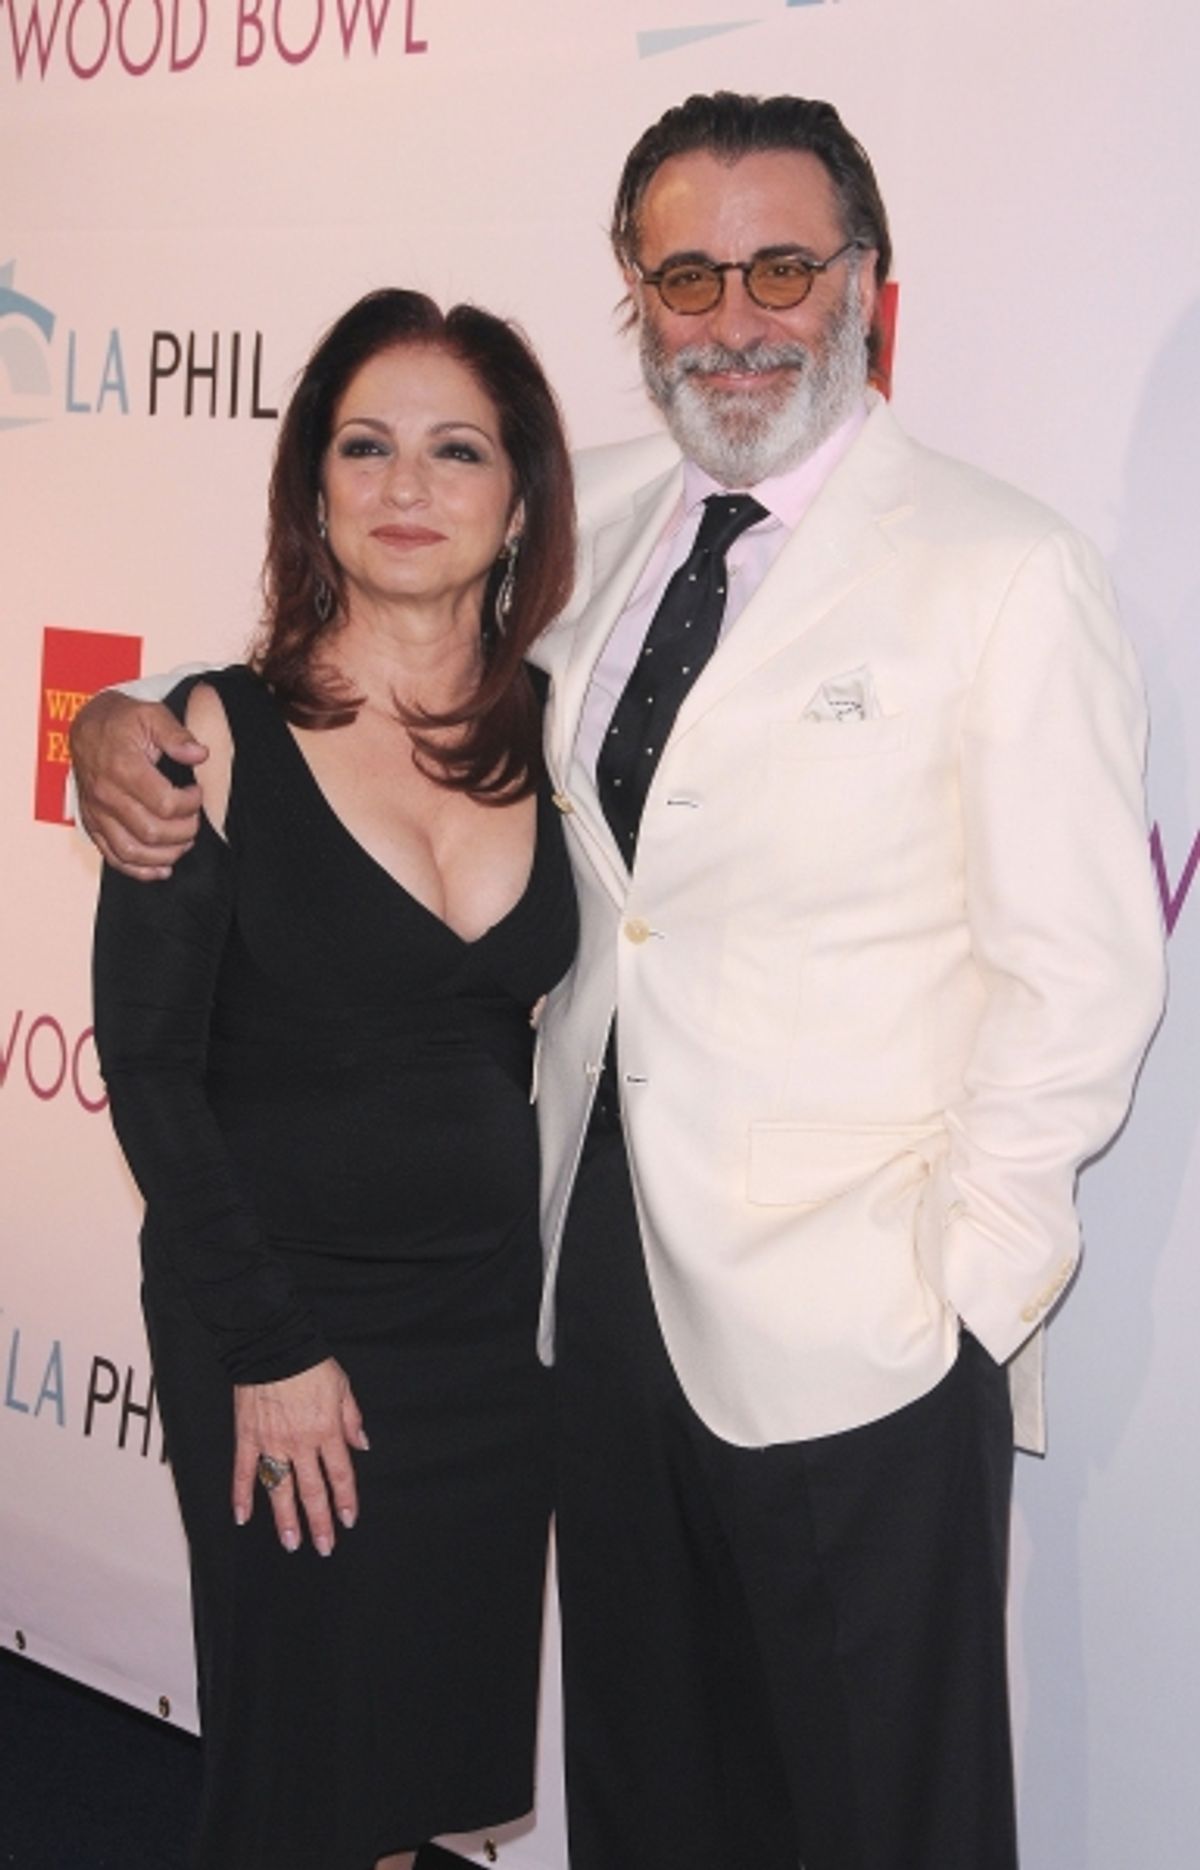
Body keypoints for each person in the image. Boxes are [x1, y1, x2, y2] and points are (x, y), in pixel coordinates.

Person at [75, 93, 1165, 1870]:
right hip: (592, 1312)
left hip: (864, 1332)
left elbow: (1086, 976)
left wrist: (958, 1295)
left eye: (781, 268)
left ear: (867, 287)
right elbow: (357, 663)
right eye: (685, 277)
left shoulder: (1002, 569)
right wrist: (116, 729)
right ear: (636, 299)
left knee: (882, 1817)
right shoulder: (598, 537)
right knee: (655, 1803)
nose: (734, 318)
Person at [90, 287, 577, 1870]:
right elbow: (149, 1068)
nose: (406, 485)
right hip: (278, 1325)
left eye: (456, 450)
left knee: (414, 1777)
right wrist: (272, 1342)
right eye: (365, 447)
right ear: (313, 486)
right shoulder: (209, 735)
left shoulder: (562, 733)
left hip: (487, 1338)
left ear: (518, 495)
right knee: (301, 1781)